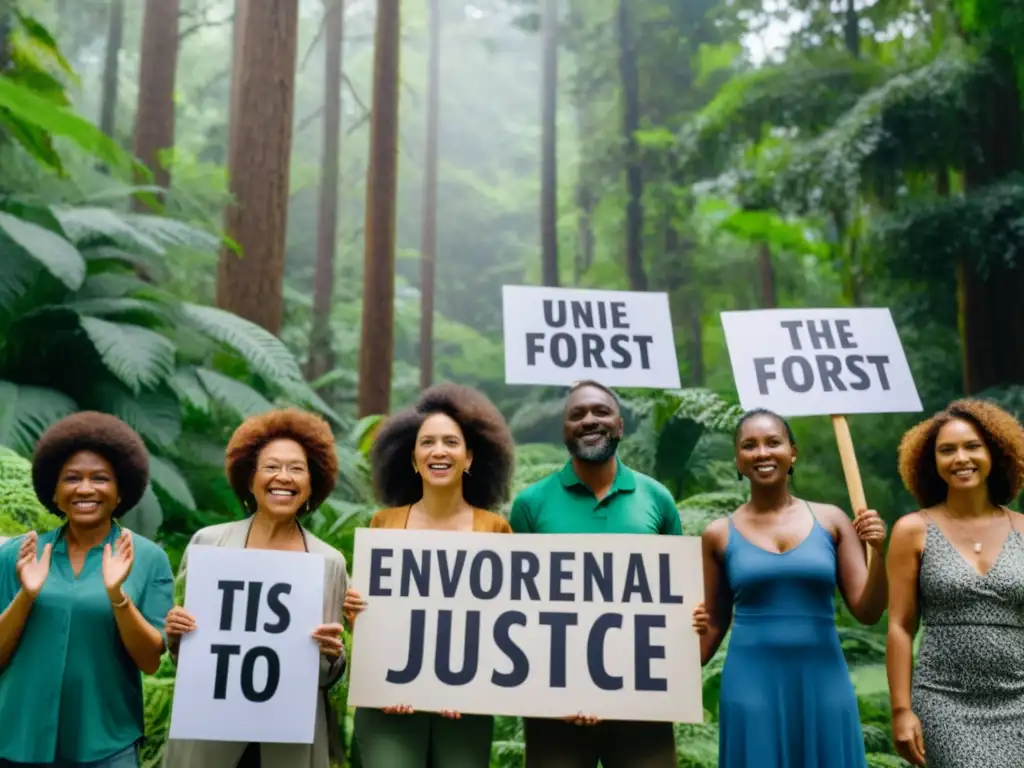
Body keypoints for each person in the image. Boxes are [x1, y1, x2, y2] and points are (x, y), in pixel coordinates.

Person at [508, 380, 707, 768]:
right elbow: (515, 607)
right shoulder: (531, 503)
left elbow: (676, 594)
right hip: (555, 706)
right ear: (564, 429)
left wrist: (691, 619)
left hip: (643, 703)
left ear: (619, 425)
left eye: (600, 411)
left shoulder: (657, 498)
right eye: (576, 414)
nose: (588, 420)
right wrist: (556, 694)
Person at [161, 408, 349, 768]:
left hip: (288, 740)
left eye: (297, 468)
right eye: (271, 466)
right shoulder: (208, 544)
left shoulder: (329, 563)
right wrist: (175, 635)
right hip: (210, 734)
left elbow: (328, 675)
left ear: (312, 483)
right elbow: (187, 657)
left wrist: (333, 655)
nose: (284, 477)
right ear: (250, 479)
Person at [701, 407, 888, 768]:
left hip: (823, 679)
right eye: (749, 445)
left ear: (792, 452)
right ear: (738, 461)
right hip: (750, 683)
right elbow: (710, 627)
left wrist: (879, 553)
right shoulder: (717, 534)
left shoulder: (832, 520)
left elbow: (867, 611)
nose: (762, 453)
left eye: (773, 442)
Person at [344, 382, 516, 768]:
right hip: (389, 703)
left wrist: (468, 689)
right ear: (411, 458)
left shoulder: (495, 530)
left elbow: (505, 624)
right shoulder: (383, 524)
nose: (439, 451)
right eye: (427, 442)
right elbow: (368, 619)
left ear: (470, 458)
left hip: (465, 705)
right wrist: (354, 609)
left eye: (451, 443)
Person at [0, 411, 174, 768]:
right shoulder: (19, 555)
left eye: (100, 478)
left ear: (121, 489)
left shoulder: (147, 559)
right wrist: (27, 595)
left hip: (106, 744)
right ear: (54, 490)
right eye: (72, 478)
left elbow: (150, 661)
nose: (85, 489)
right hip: (19, 739)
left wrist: (117, 596)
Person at [886, 399, 1024, 768]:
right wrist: (901, 710)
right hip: (944, 700)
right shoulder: (913, 530)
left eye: (972, 446)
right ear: (931, 462)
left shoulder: (1023, 529)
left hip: (1018, 698)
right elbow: (900, 626)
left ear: (995, 453)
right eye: (947, 450)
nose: (960, 458)